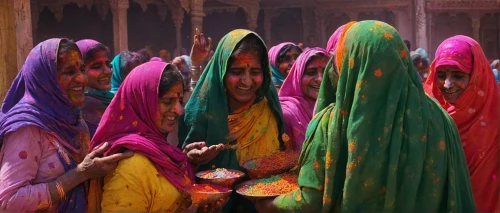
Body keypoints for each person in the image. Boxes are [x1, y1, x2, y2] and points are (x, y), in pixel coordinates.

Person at [255, 20, 475, 212]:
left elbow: (310, 200)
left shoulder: (333, 125)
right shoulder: (440, 119)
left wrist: (270, 205)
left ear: (348, 64)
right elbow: (455, 193)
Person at [0, 38, 132, 212]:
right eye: (69, 72)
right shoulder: (28, 129)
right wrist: (80, 174)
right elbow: (8, 202)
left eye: (82, 69)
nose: (81, 79)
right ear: (45, 80)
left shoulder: (74, 121)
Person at [179, 29, 288, 212]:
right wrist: (192, 161)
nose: (246, 81)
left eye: (255, 71)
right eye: (237, 71)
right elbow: (181, 176)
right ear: (221, 70)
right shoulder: (198, 115)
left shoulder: (269, 107)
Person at [90, 61, 220, 212]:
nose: (179, 110)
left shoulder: (162, 150)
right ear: (142, 102)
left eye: (180, 101)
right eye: (167, 102)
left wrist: (190, 163)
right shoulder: (128, 165)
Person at [424, 35, 499, 212]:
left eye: (458, 75)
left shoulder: (495, 115)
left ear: (476, 75)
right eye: (441, 75)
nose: (447, 84)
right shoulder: (428, 115)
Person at [279, 47, 330, 150]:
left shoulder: (334, 108)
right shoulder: (287, 114)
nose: (320, 79)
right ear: (298, 77)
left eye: (325, 72)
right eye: (311, 73)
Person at [76, 39, 113, 137]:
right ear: (79, 71)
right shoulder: (80, 108)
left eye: (108, 64)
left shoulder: (113, 100)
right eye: (97, 66)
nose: (108, 71)